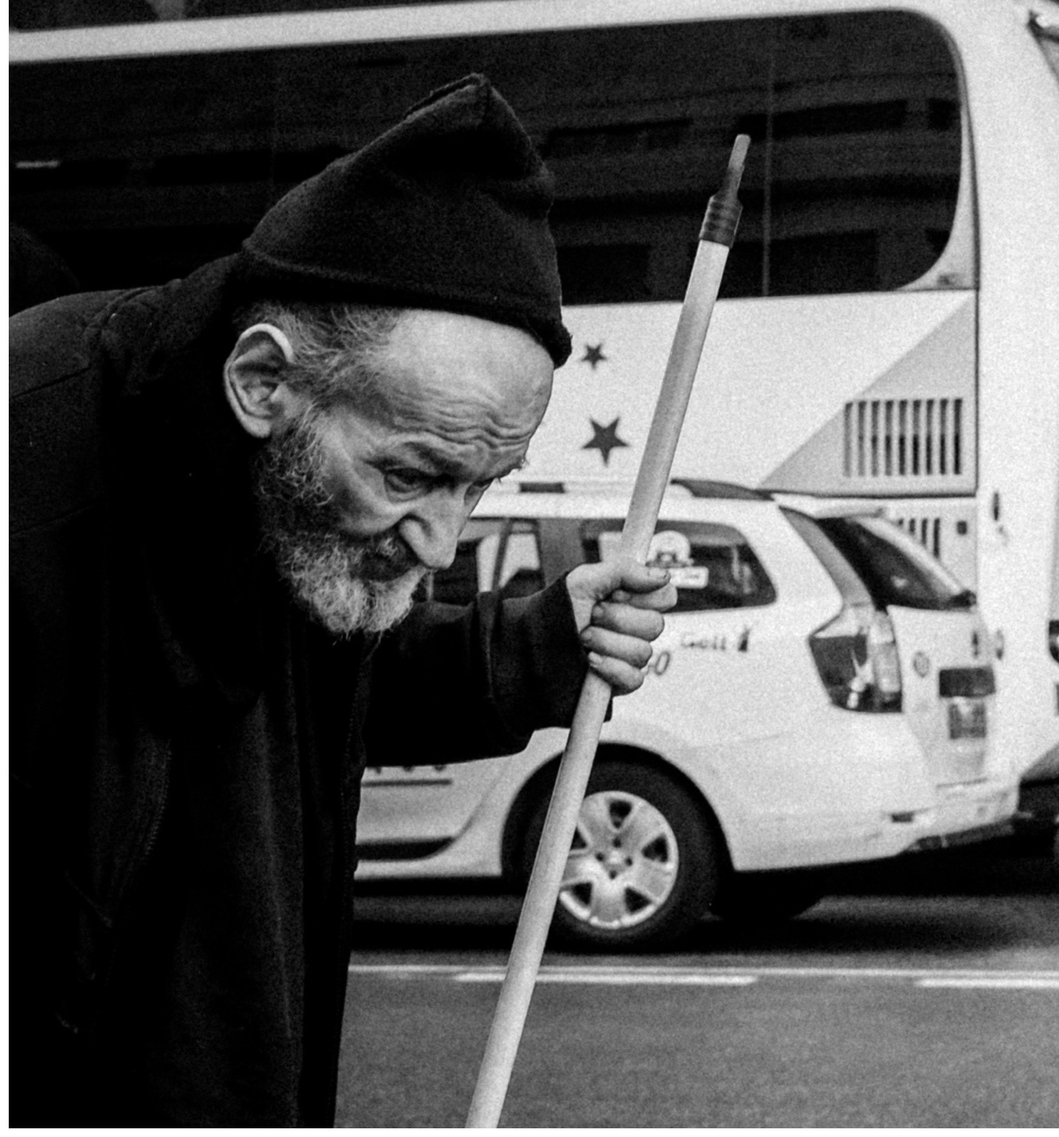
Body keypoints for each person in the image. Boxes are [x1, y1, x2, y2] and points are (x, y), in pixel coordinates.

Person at [10, 73, 677, 1126]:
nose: (442, 541)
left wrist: (540, 643)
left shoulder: (280, 491)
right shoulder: (33, 480)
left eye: (480, 486)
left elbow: (339, 676)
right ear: (261, 381)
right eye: (409, 474)